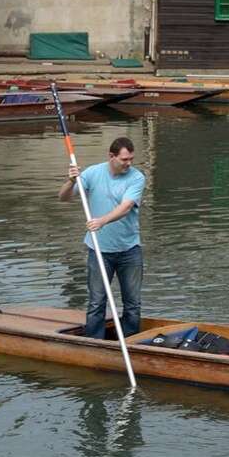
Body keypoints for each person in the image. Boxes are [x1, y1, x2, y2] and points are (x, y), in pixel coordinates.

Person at [60, 136, 145, 340]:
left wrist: (102, 221)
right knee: (97, 301)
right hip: (99, 250)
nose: (129, 163)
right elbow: (63, 197)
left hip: (129, 250)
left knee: (132, 302)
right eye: (124, 159)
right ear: (111, 156)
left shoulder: (137, 178)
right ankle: (94, 343)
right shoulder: (92, 173)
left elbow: (125, 208)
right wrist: (72, 181)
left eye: (131, 159)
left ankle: (129, 341)